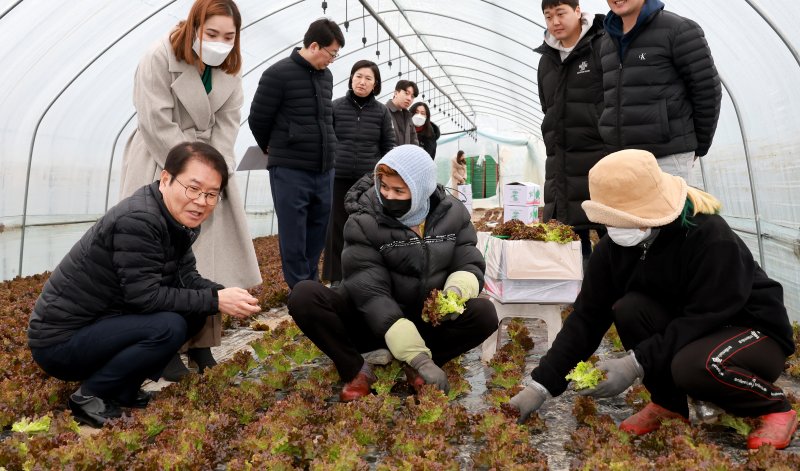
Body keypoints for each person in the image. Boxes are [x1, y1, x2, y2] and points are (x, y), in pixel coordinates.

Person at [508, 149, 797, 450]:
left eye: (622, 218)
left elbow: (704, 317)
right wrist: (539, 386)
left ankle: (774, 407)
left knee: (693, 367)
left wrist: (635, 363)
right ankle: (669, 405)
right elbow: (587, 318)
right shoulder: (613, 250)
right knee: (629, 309)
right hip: (696, 331)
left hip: (752, 334)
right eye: (608, 218)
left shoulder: (708, 235)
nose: (613, 227)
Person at [28, 142, 262, 428]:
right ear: (166, 179)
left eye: (211, 194)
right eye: (193, 188)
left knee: (193, 310)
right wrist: (215, 300)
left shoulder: (175, 220)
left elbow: (187, 278)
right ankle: (90, 396)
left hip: (99, 326)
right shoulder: (139, 220)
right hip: (60, 342)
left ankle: (123, 390)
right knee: (169, 326)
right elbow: (145, 298)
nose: (201, 201)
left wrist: (224, 294)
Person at [288, 145, 498, 402]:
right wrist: (417, 355)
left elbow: (468, 262)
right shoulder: (363, 221)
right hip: (370, 320)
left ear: (422, 189)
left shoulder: (452, 214)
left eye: (399, 190)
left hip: (422, 319)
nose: (387, 195)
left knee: (485, 314)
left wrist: (454, 294)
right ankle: (358, 370)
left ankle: (417, 366)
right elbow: (372, 295)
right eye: (383, 186)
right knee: (304, 296)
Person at [119, 0, 261, 379]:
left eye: (229, 36)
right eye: (212, 34)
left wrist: (214, 171)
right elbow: (155, 121)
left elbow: (228, 124)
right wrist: (190, 174)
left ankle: (201, 345)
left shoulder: (230, 68)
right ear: (194, 26)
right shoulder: (159, 57)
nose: (220, 42)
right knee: (160, 257)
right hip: (162, 161)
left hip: (210, 163)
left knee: (207, 259)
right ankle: (162, 348)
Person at [249, 18, 344, 290]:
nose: (333, 60)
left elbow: (325, 119)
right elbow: (258, 119)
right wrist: (275, 147)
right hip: (290, 169)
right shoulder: (277, 74)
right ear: (315, 46)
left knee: (317, 230)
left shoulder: (326, 77)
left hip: (324, 168)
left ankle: (309, 285)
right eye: (332, 53)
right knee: (293, 234)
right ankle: (301, 291)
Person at [598, 0, 722, 180]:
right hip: (621, 161)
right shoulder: (607, 41)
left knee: (669, 209)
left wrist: (698, 147)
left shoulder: (678, 29)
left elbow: (707, 91)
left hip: (666, 160)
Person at [536, 0, 607, 263]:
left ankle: (606, 298)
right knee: (573, 248)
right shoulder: (546, 61)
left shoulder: (601, 45)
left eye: (561, 13)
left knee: (610, 237)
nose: (555, 21)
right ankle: (581, 301)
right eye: (548, 16)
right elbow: (548, 109)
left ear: (578, 11)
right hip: (562, 168)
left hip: (599, 162)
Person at [322, 60, 396, 286]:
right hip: (338, 178)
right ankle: (336, 279)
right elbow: (325, 140)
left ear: (375, 84)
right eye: (358, 76)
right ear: (351, 78)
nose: (362, 82)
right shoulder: (335, 107)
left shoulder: (382, 112)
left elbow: (388, 146)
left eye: (368, 78)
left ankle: (366, 277)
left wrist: (381, 178)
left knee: (367, 229)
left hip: (367, 182)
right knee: (336, 230)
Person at [386, 80, 420, 146]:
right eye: (406, 93)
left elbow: (414, 142)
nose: (409, 99)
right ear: (396, 93)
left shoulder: (408, 117)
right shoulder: (383, 112)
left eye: (412, 96)